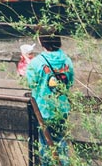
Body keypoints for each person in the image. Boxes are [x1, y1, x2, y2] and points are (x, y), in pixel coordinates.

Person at [24, 31, 75, 166]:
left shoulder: (36, 63)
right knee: (60, 140)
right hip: (62, 108)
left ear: (42, 42)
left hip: (43, 110)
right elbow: (69, 82)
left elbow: (30, 83)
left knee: (45, 143)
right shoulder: (67, 61)